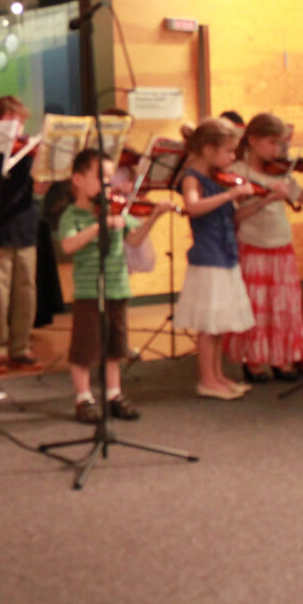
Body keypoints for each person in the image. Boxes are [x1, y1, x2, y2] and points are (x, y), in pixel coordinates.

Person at [58, 149, 174, 423]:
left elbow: (133, 240)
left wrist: (154, 216)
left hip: (118, 288)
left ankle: (113, 395)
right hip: (89, 293)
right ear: (78, 179)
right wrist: (98, 227)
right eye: (102, 177)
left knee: (115, 348)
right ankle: (83, 398)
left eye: (110, 178)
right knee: (84, 349)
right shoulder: (72, 215)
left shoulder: (115, 209)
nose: (108, 184)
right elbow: (68, 245)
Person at [225, 112, 303, 383]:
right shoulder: (237, 173)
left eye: (280, 144)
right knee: (257, 308)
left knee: (282, 307)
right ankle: (254, 360)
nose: (278, 150)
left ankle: (281, 359)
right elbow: (233, 217)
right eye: (272, 143)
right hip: (253, 245)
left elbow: (301, 198)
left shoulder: (281, 172)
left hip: (281, 245)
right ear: (253, 140)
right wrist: (267, 198)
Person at [174, 118, 257, 399]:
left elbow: (230, 216)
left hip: (225, 252)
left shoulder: (217, 180)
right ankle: (207, 379)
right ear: (209, 150)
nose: (232, 158)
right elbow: (193, 207)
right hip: (207, 257)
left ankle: (218, 375)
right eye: (229, 151)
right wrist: (231, 194)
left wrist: (258, 200)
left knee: (220, 322)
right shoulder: (191, 178)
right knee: (209, 325)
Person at [0, 95, 43, 373]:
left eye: (21, 121)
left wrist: (49, 171)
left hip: (25, 226)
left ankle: (21, 348)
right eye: (12, 120)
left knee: (26, 291)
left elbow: (38, 191)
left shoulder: (29, 150)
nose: (18, 126)